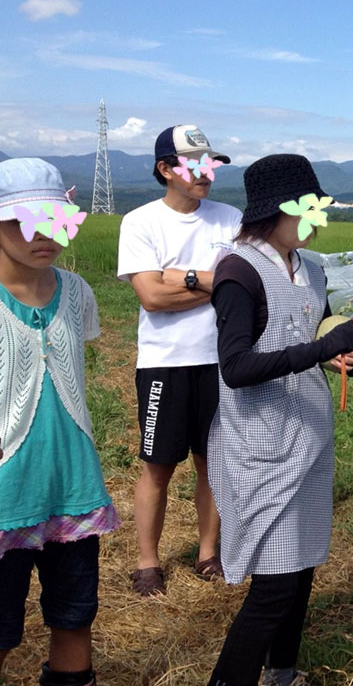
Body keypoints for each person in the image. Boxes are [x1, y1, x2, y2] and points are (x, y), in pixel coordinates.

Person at [206, 154, 353, 686]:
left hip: (307, 437)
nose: (320, 220)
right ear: (277, 210)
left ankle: (283, 673)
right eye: (311, 209)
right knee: (273, 587)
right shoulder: (238, 271)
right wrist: (320, 348)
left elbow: (306, 346)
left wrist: (348, 358)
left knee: (300, 569)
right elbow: (235, 368)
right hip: (260, 445)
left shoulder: (312, 269)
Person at [0, 158, 120, 686]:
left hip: (72, 487)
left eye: (55, 220)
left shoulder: (77, 294)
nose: (43, 235)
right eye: (23, 221)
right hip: (7, 495)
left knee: (74, 617)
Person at [117, 124, 242, 595]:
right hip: (164, 362)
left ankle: (208, 552)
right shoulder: (141, 222)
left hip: (221, 361)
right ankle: (148, 562)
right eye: (193, 164)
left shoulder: (229, 218)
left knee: (213, 463)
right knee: (158, 465)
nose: (205, 173)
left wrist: (183, 277)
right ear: (165, 169)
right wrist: (211, 281)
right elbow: (150, 297)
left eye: (210, 163)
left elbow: (239, 284)